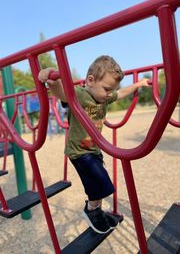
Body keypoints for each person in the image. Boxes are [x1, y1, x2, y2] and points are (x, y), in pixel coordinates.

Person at [38, 55, 149, 234]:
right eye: (106, 89)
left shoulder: (103, 97)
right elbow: (61, 92)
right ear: (90, 80)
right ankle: (91, 211)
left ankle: (97, 211)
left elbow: (120, 93)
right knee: (101, 183)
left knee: (98, 184)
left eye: (111, 89)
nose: (109, 93)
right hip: (79, 151)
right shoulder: (80, 95)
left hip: (94, 149)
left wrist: (138, 85)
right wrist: (50, 76)